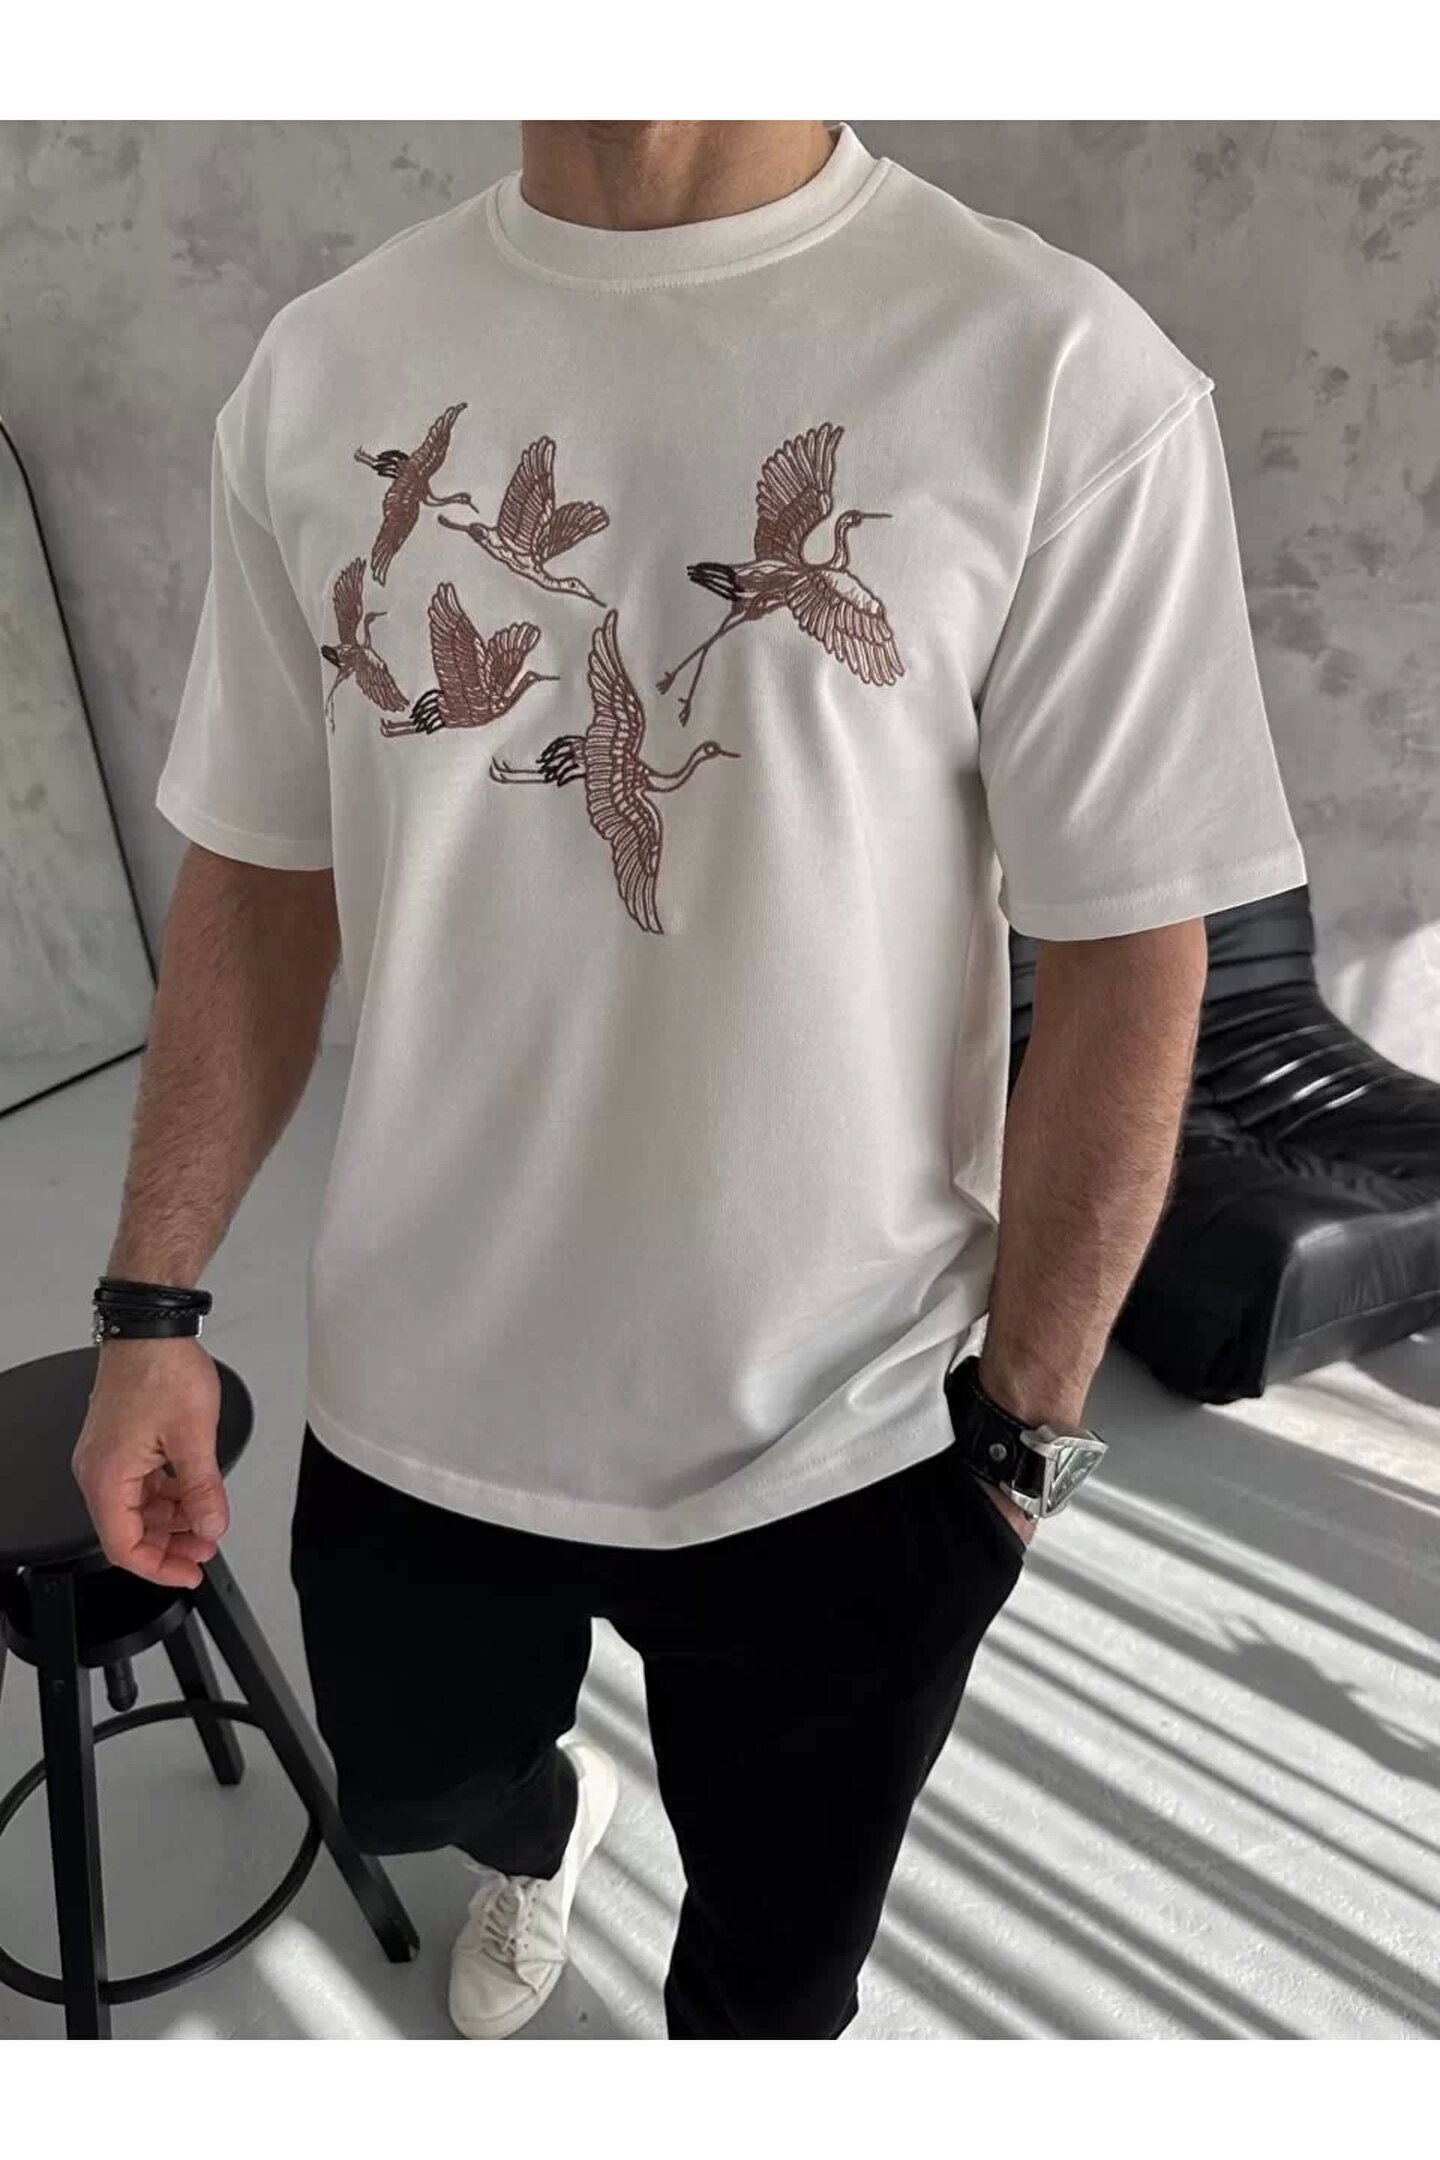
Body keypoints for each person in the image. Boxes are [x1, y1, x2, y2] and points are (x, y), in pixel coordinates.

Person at [75, 119, 1307, 2040]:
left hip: (843, 1432)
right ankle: (546, 1828)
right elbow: (257, 872)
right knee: (427, 1784)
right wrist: (151, 1306)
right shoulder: (323, 368)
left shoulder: (1058, 369)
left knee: (769, 1990)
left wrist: (1023, 1435)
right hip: (416, 1394)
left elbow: (1132, 943)